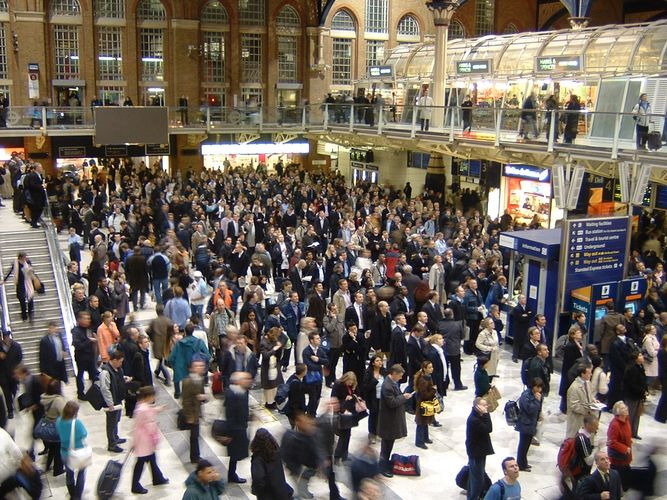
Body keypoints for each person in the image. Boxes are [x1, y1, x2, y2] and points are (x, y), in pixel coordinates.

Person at [131, 386, 169, 494]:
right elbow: (138, 424)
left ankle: (158, 478)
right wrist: (134, 442)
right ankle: (135, 485)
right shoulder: (142, 409)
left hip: (147, 439)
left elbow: (151, 411)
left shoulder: (143, 406)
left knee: (152, 459)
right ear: (148, 396)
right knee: (141, 462)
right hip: (143, 440)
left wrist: (160, 409)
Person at [377, 364, 412, 477]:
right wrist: (404, 397)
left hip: (391, 419)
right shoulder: (387, 386)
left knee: (389, 444)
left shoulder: (392, 383)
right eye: (400, 376)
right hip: (388, 421)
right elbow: (392, 403)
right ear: (394, 374)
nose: (401, 378)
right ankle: (382, 467)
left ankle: (385, 463)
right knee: (386, 446)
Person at [55, 401, 88, 500]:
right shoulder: (76, 423)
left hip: (65, 452)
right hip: (78, 451)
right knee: (81, 472)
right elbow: (84, 434)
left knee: (69, 474)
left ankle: (72, 494)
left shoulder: (58, 420)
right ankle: (78, 495)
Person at [168, 323, 210, 399]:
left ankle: (177, 393)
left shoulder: (179, 344)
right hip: (195, 368)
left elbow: (171, 358)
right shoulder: (199, 342)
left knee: (177, 378)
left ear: (185, 331)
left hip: (181, 368)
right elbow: (207, 355)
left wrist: (174, 366)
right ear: (193, 331)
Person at [250, 428, 293, 500]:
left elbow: (258, 478)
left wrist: (257, 490)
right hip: (280, 490)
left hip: (267, 494)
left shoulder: (258, 459)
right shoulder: (276, 451)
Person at [225, 371, 252, 483]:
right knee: (234, 454)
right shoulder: (232, 394)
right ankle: (231, 475)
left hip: (241, 426)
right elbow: (230, 415)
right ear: (238, 381)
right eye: (246, 379)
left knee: (236, 454)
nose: (249, 381)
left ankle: (232, 474)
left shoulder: (243, 392)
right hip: (235, 429)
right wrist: (229, 433)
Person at [466, 397, 494, 500]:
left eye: (486, 405)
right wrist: (486, 414)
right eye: (484, 405)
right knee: (478, 479)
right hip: (476, 452)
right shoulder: (474, 419)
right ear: (477, 406)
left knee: (476, 476)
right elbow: (489, 428)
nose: (486, 407)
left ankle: (472, 495)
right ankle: (473, 497)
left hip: (480, 450)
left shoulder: (478, 415)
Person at [99, 350, 127, 452]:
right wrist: (110, 403)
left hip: (118, 399)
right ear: (114, 360)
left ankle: (115, 437)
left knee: (116, 420)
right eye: (120, 361)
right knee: (111, 423)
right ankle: (112, 444)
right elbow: (105, 388)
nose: (121, 364)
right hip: (112, 403)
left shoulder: (117, 369)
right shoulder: (105, 372)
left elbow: (117, 379)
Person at [331, 371, 361, 462]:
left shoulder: (354, 386)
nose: (350, 383)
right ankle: (337, 456)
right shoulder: (338, 385)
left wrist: (353, 397)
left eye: (352, 381)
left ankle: (344, 455)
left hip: (350, 413)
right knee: (342, 435)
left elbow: (358, 395)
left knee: (347, 434)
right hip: (340, 413)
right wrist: (344, 399)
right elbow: (333, 398)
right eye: (349, 381)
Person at [182, 359, 207, 464]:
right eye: (197, 366)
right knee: (194, 436)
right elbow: (185, 400)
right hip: (192, 413)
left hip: (197, 411)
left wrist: (203, 397)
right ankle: (195, 457)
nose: (200, 368)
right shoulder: (187, 382)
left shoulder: (200, 379)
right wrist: (189, 416)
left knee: (195, 435)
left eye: (201, 365)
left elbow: (202, 395)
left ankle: (195, 455)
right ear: (191, 368)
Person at [515, 378, 543, 472]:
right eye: (537, 387)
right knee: (523, 445)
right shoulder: (526, 395)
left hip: (531, 423)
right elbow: (530, 409)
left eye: (540, 387)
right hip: (525, 424)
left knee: (526, 445)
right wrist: (536, 400)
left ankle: (524, 463)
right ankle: (521, 464)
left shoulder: (535, 395)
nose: (539, 390)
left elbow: (537, 409)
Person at [39, 378, 66, 477]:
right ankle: (58, 469)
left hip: (49, 426)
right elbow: (65, 414)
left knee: (52, 448)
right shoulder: (58, 400)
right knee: (59, 449)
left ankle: (48, 466)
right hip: (58, 427)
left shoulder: (45, 397)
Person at [71, 311, 99, 400]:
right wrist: (89, 340)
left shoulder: (89, 329)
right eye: (86, 319)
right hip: (81, 357)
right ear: (80, 320)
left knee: (94, 375)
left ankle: (95, 392)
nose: (88, 320)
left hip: (91, 356)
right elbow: (78, 345)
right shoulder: (76, 331)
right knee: (81, 375)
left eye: (88, 319)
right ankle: (81, 393)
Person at [566, 363, 597, 439]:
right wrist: (588, 409)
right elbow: (574, 406)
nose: (591, 374)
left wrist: (593, 401)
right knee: (575, 441)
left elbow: (589, 395)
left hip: (586, 418)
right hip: (577, 419)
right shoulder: (574, 387)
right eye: (589, 373)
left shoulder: (588, 383)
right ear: (582, 374)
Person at [607, 401, 633, 490]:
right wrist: (625, 448)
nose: (626, 409)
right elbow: (612, 442)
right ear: (618, 412)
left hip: (626, 455)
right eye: (623, 408)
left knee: (626, 477)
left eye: (625, 407)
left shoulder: (626, 420)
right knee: (617, 478)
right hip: (618, 457)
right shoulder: (615, 425)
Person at [3, 252, 36, 321]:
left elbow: (32, 273)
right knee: (22, 300)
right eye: (24, 257)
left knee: (30, 299)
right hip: (20, 284)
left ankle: (30, 315)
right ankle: (24, 315)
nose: (25, 259)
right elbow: (10, 271)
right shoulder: (16, 264)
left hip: (28, 283)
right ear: (20, 258)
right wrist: (4, 280)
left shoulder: (28, 262)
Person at [622, 350, 647, 439]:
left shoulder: (640, 367)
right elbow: (631, 384)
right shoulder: (632, 369)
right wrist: (641, 390)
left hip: (639, 395)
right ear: (636, 358)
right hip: (632, 395)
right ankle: (626, 433)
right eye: (640, 355)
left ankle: (634, 432)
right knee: (630, 415)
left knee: (637, 416)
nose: (642, 357)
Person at [302, 332, 329, 416]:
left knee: (317, 397)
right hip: (310, 379)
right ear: (311, 340)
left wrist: (318, 360)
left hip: (319, 378)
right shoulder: (306, 351)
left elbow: (327, 361)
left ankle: (313, 412)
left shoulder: (320, 350)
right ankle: (310, 414)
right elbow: (309, 365)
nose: (319, 340)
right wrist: (319, 365)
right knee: (312, 397)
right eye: (317, 339)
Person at [559, 327, 585, 413]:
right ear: (573, 335)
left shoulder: (579, 344)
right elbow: (570, 360)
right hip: (569, 370)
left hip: (575, 370)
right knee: (567, 388)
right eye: (578, 333)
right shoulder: (570, 346)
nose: (580, 334)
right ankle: (564, 407)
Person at [362, 355, 386, 444]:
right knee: (373, 416)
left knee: (382, 416)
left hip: (383, 398)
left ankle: (380, 431)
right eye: (377, 361)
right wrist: (374, 380)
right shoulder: (368, 372)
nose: (380, 362)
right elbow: (366, 387)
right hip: (373, 399)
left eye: (381, 360)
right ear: (373, 363)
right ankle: (372, 434)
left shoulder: (384, 371)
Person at [414, 360, 437, 449]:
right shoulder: (423, 380)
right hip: (422, 404)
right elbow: (424, 395)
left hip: (427, 403)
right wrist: (433, 390)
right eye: (429, 367)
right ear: (424, 369)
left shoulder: (428, 377)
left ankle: (425, 438)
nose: (432, 369)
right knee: (421, 423)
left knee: (426, 422)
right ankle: (419, 441)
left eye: (432, 367)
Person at [259, 327, 284, 409]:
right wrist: (274, 349)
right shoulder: (263, 342)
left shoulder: (272, 340)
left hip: (274, 364)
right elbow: (265, 355)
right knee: (269, 386)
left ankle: (273, 401)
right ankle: (269, 403)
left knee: (275, 385)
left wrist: (279, 347)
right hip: (267, 367)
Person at [511, 295, 533, 362]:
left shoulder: (528, 307)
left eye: (525, 298)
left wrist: (525, 315)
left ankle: (521, 355)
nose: (525, 299)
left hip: (526, 328)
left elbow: (531, 314)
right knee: (517, 342)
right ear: (519, 300)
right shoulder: (516, 308)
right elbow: (520, 318)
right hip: (519, 328)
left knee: (524, 341)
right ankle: (515, 356)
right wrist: (526, 315)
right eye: (523, 298)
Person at [285, 363, 307, 429]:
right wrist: (301, 412)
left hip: (291, 411)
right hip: (294, 413)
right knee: (296, 429)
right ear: (303, 372)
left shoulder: (292, 377)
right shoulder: (296, 384)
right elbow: (296, 400)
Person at [655, 336, 667, 423]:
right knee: (665, 396)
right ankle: (660, 416)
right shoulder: (662, 352)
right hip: (664, 376)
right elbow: (664, 365)